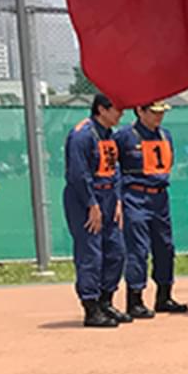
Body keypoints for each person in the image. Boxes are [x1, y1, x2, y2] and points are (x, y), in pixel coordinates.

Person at [115, 98, 187, 318]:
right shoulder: (125, 136)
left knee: (165, 246)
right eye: (154, 112)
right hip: (135, 196)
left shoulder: (165, 135)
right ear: (140, 110)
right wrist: (118, 199)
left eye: (161, 112)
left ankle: (164, 295)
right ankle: (135, 299)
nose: (159, 116)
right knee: (138, 249)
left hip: (160, 198)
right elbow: (115, 169)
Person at [62, 94, 129, 327]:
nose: (121, 114)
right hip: (85, 199)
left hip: (109, 195)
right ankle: (91, 308)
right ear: (101, 109)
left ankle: (106, 301)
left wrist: (117, 200)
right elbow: (78, 174)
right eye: (117, 109)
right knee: (91, 253)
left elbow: (115, 169)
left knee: (116, 250)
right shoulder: (82, 135)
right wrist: (91, 204)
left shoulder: (109, 134)